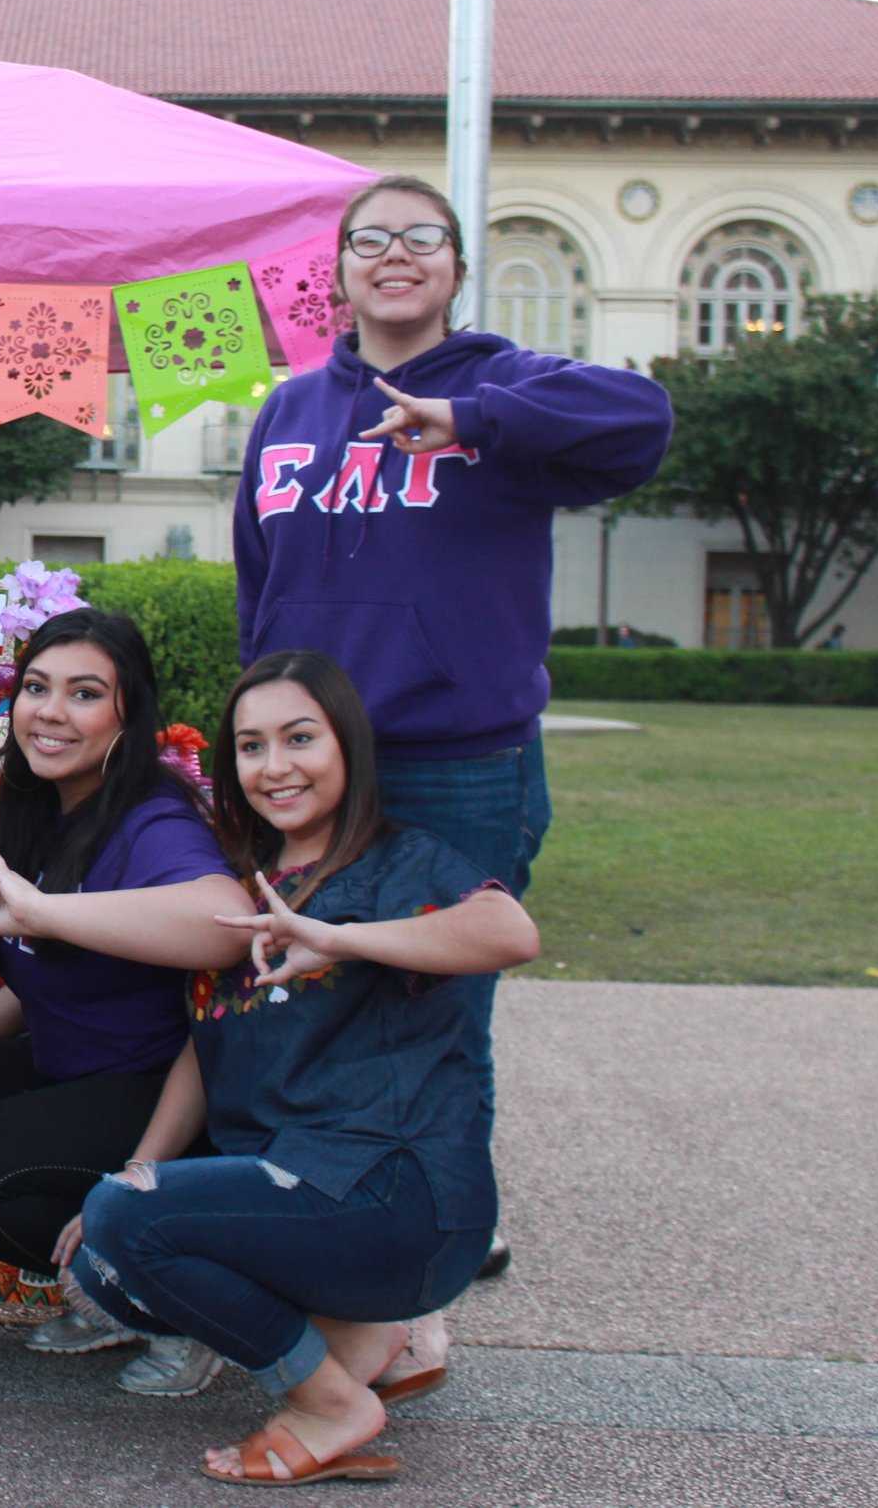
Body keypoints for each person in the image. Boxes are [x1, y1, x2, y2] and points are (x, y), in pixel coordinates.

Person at [233, 173, 670, 1277]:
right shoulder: (289, 411)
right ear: (335, 273)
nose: (395, 254)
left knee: (440, 1001)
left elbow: (641, 419)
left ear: (457, 269)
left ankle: (446, 1223)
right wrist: (262, 729)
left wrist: (470, 419)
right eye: (369, 238)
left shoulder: (507, 384)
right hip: (319, 768)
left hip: (460, 759)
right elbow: (260, 582)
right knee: (321, 984)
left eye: (422, 237)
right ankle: (342, 1192)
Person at [32, 651, 538, 1486]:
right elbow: (210, 1037)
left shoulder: (396, 863)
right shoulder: (250, 884)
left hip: (396, 1189)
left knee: (127, 1222)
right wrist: (141, 1168)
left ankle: (328, 1402)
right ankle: (360, 1342)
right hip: (302, 1186)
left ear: (347, 747)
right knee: (104, 1266)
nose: (276, 767)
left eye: (300, 739)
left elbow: (508, 931)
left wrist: (338, 937)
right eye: (252, 746)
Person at [0, 611, 253, 1396]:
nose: (51, 711)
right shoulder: (41, 808)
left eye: (84, 693)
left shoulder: (151, 816)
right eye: (36, 687)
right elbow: (50, 962)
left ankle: (169, 1296)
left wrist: (44, 911)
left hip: (164, 1097)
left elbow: (224, 922)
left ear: (126, 714)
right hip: (71, 1065)